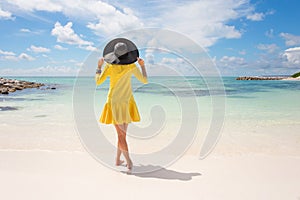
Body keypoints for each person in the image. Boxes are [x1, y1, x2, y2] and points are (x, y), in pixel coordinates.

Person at [95, 38, 148, 170]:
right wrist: (142, 66)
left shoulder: (110, 67)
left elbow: (98, 82)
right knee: (122, 135)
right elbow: (145, 80)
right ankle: (121, 159)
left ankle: (125, 160)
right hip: (126, 102)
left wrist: (98, 67)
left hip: (114, 102)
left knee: (121, 135)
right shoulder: (132, 66)